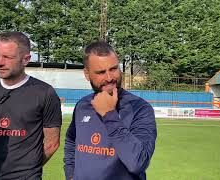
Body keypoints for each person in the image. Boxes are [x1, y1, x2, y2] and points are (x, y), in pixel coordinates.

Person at [0, 31, 62, 179]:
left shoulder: (45, 93)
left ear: (26, 59)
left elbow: (52, 143)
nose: (0, 62)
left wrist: (28, 169)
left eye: (8, 57)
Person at [64, 41, 157, 180]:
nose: (109, 78)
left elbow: (138, 162)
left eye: (113, 69)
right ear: (87, 74)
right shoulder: (82, 105)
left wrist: (109, 114)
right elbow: (71, 141)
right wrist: (70, 174)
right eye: (101, 72)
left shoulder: (140, 108)